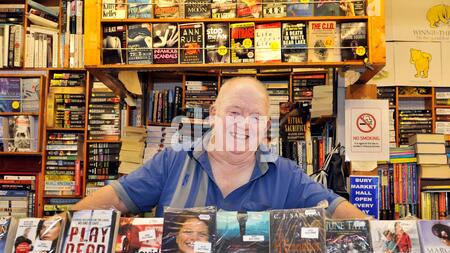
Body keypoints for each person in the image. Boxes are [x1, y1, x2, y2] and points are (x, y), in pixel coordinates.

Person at [72, 77, 367, 219]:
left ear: (266, 126)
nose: (244, 124)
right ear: (213, 113)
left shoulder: (286, 174)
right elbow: (116, 199)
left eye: (255, 117)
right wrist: (58, 224)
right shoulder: (173, 161)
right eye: (234, 113)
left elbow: (337, 209)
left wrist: (383, 234)